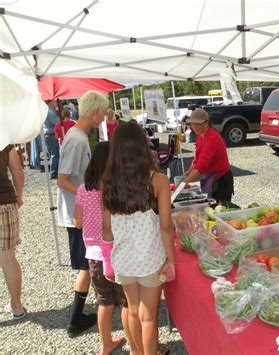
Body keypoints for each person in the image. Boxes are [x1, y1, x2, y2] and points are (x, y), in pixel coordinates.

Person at [101, 121, 176, 355]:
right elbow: (165, 226)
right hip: (151, 258)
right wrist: (172, 260)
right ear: (143, 146)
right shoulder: (158, 180)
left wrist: (107, 259)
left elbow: (106, 229)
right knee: (149, 316)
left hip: (123, 258)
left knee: (133, 310)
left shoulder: (107, 183)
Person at [57, 90, 109, 338]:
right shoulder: (77, 140)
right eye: (103, 113)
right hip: (78, 216)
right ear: (95, 111)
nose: (103, 119)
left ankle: (79, 316)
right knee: (85, 267)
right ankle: (75, 320)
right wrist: (89, 194)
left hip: (80, 213)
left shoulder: (77, 135)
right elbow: (62, 179)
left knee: (86, 265)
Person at [73, 142, 130, 354]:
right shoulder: (117, 189)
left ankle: (105, 345)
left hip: (95, 255)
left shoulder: (82, 190)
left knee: (105, 302)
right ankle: (135, 344)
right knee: (126, 302)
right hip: (118, 252)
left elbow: (77, 222)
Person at [183, 108, 234, 202]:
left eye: (198, 123)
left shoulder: (212, 137)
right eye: (192, 123)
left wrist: (185, 182)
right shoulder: (200, 136)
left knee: (220, 209)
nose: (194, 126)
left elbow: (202, 165)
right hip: (211, 178)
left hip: (221, 180)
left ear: (206, 123)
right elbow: (197, 159)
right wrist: (188, 172)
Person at [0, 145, 25, 320]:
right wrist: (19, 195)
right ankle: (17, 307)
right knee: (8, 258)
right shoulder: (4, 138)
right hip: (5, 200)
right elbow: (18, 172)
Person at [44, 100, 61, 179]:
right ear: (51, 102)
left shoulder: (46, 110)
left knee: (52, 154)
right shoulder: (50, 112)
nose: (56, 103)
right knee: (55, 155)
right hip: (51, 135)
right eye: (55, 102)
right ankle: (53, 173)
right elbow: (57, 122)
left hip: (47, 135)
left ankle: (53, 172)